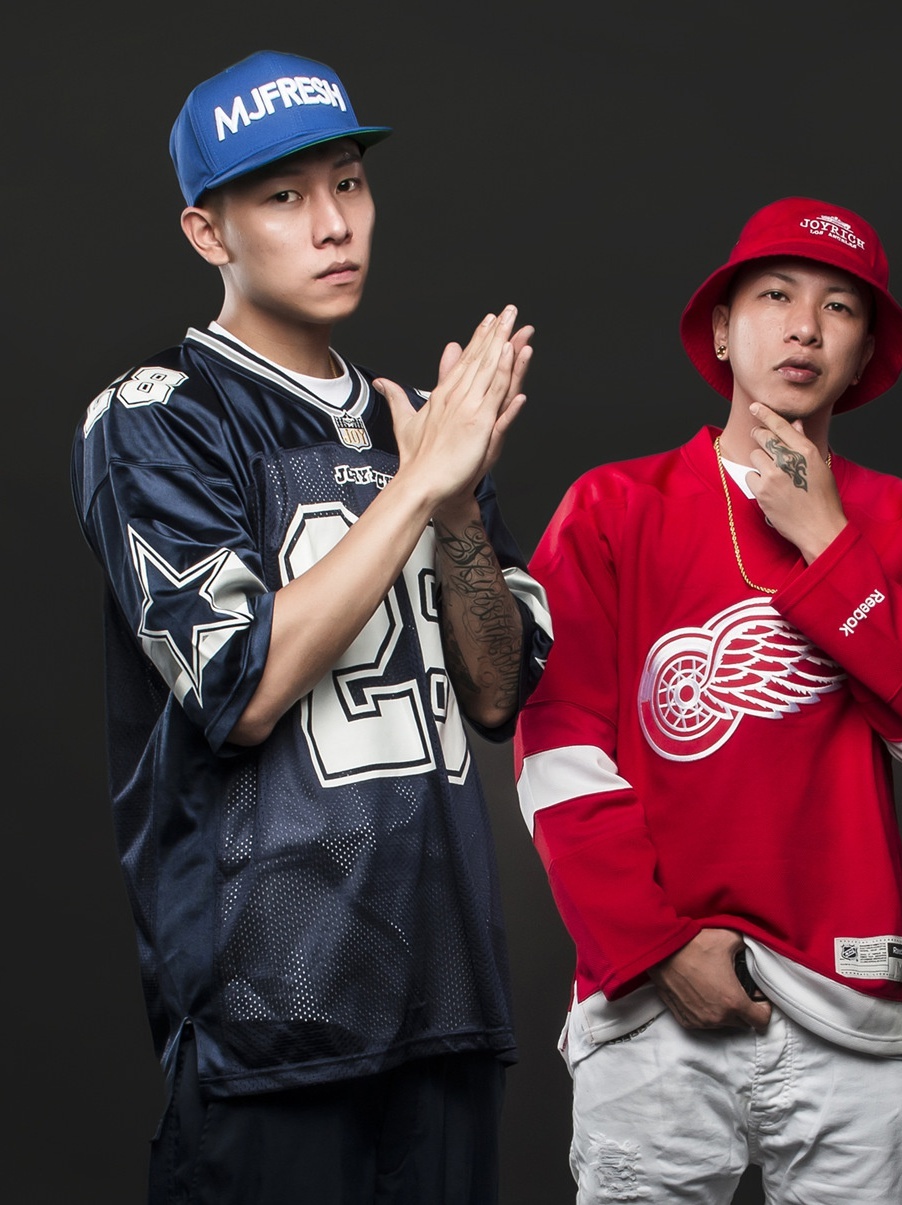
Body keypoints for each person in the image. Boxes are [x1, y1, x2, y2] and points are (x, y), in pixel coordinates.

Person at [69, 49, 552, 1204]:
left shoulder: (421, 426)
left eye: (349, 183)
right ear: (208, 232)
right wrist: (419, 486)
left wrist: (456, 511)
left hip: (446, 1002)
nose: (334, 224)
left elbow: (499, 695)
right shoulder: (158, 417)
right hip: (268, 1016)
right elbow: (238, 685)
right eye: (284, 197)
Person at [512, 196, 902, 1202]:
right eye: (775, 296)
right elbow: (558, 749)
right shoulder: (613, 507)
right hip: (649, 1007)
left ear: (864, 357)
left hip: (853, 1005)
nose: (805, 328)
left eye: (840, 307)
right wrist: (654, 945)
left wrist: (829, 540)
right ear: (721, 330)